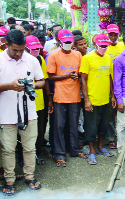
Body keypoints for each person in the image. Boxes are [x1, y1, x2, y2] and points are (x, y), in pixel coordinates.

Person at [0, 29, 45, 195]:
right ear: (6, 44)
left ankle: (30, 176)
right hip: (5, 112)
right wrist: (10, 86)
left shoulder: (31, 59)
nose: (19, 53)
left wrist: (32, 85)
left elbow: (42, 81)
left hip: (29, 112)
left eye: (22, 50)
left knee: (29, 147)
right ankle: (9, 179)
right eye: (15, 50)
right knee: (8, 149)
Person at [47, 29, 87, 167]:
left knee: (73, 125)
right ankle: (59, 154)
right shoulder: (53, 55)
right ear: (59, 42)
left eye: (70, 42)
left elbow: (81, 74)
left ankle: (74, 150)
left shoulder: (78, 55)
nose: (68, 44)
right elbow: (51, 76)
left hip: (75, 96)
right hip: (60, 97)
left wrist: (75, 76)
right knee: (59, 126)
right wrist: (67, 76)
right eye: (66, 42)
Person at [80, 34, 117, 165]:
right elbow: (83, 79)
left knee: (104, 125)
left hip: (105, 99)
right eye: (101, 46)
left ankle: (101, 146)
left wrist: (112, 95)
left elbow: (110, 78)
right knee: (91, 127)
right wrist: (86, 100)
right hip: (92, 100)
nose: (104, 48)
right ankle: (92, 151)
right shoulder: (87, 58)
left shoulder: (108, 58)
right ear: (94, 45)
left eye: (105, 46)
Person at [25, 35, 52, 165]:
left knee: (40, 129)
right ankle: (24, 157)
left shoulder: (40, 59)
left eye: (38, 48)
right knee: (26, 131)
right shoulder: (21, 61)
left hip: (39, 102)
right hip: (25, 103)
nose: (36, 51)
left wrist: (49, 98)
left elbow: (44, 79)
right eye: (33, 49)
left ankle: (38, 151)